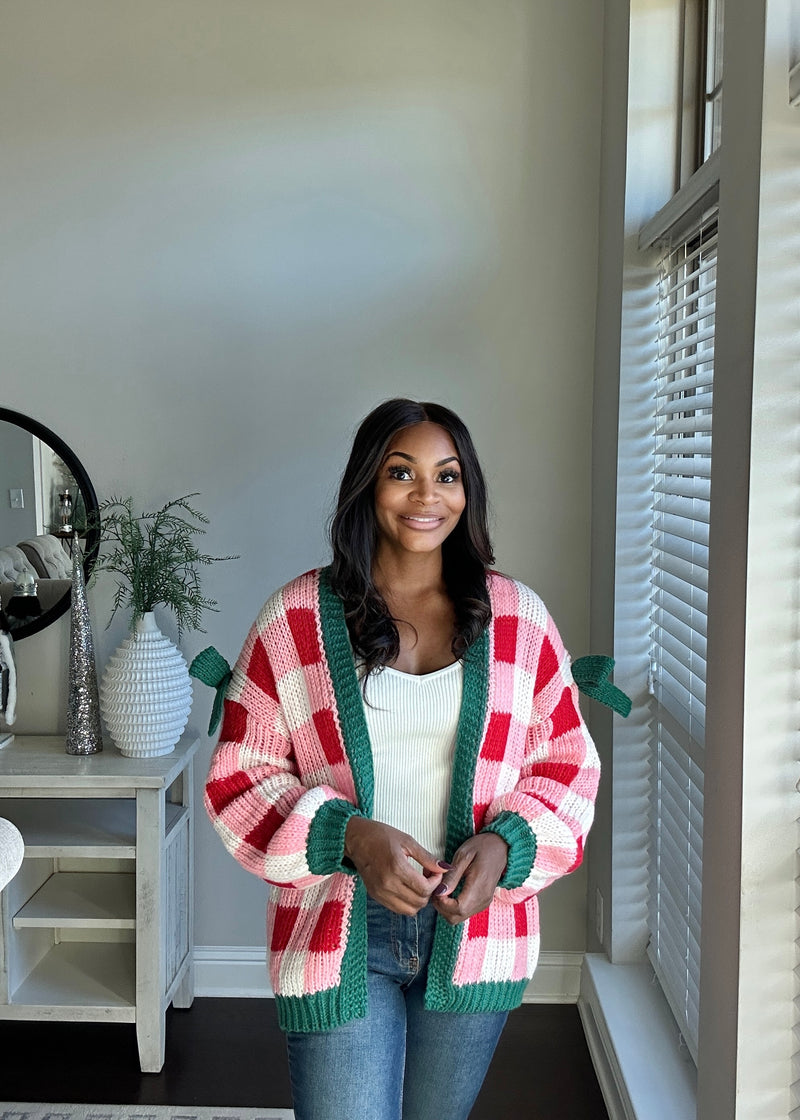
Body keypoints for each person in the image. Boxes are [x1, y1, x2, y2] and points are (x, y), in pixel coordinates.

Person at [204, 398, 600, 1120]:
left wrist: (503, 845)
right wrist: (349, 837)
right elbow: (239, 775)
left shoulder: (519, 620)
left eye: (447, 476)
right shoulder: (295, 620)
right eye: (402, 472)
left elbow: (568, 766)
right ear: (368, 485)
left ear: (467, 491)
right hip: (337, 927)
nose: (427, 496)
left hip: (474, 928)